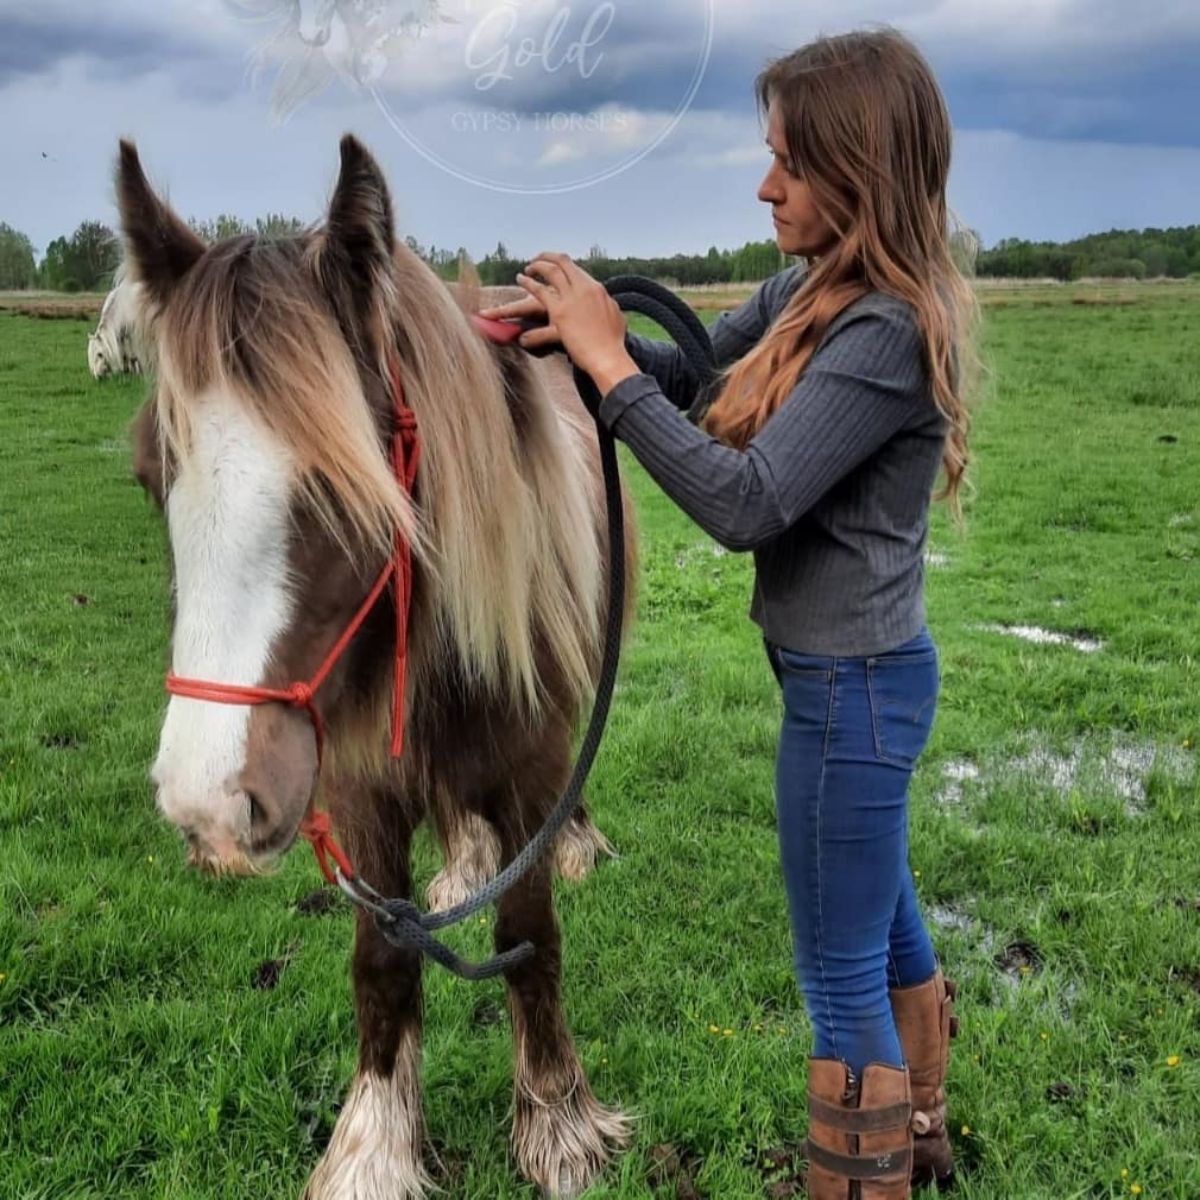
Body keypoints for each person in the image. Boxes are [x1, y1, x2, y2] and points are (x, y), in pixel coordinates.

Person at [481, 27, 974, 1200]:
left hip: (849, 701)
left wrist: (610, 374)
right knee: (889, 922)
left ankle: (866, 1179)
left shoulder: (884, 331)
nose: (765, 186)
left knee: (840, 968)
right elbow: (700, 380)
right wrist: (577, 339)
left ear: (859, 171)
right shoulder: (818, 292)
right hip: (862, 687)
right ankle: (924, 1132)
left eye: (790, 165)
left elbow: (745, 502)